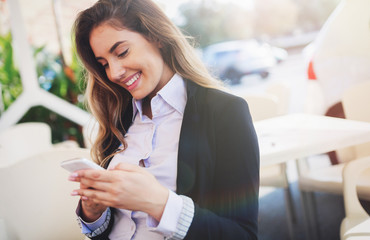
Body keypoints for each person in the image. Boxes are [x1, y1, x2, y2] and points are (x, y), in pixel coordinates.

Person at [68, 0, 259, 239]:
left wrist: (160, 203)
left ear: (156, 37)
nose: (114, 73)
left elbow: (242, 234)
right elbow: (111, 228)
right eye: (104, 64)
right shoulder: (117, 120)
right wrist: (93, 212)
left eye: (122, 52)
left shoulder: (225, 114)